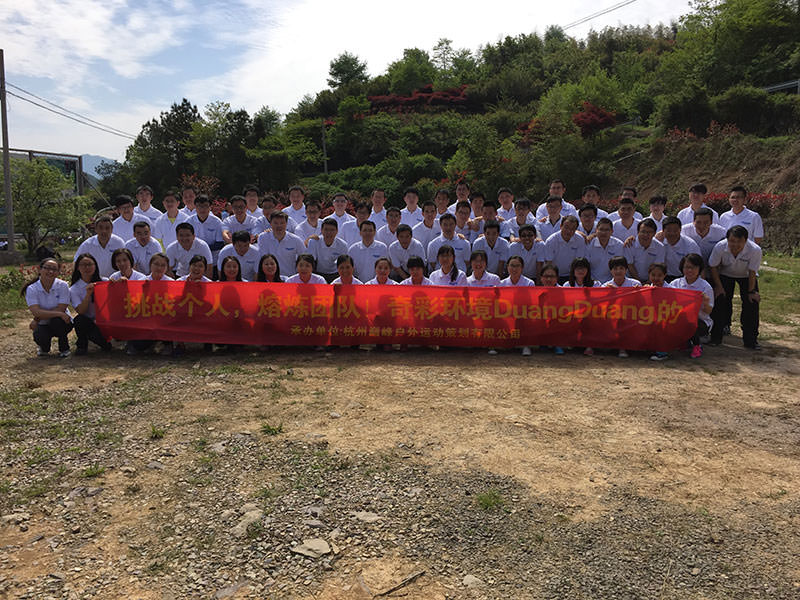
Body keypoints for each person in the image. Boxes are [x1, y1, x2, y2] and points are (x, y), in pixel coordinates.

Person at [708, 226, 762, 349]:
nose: (735, 245)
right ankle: (716, 337)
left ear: (746, 240)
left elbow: (752, 272)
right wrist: (718, 287)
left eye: (739, 241)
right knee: (720, 300)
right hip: (725, 274)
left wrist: (751, 291)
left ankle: (751, 340)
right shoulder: (720, 247)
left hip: (746, 276)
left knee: (751, 303)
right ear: (727, 239)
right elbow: (713, 267)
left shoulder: (755, 250)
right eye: (732, 241)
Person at [22, 258, 73, 357]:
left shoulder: (63, 285)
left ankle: (64, 348)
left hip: (61, 321)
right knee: (40, 335)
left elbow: (61, 308)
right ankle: (44, 347)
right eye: (47, 268)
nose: (51, 272)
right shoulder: (32, 288)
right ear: (40, 269)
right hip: (44, 322)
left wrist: (37, 319)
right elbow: (36, 311)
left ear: (58, 272)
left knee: (57, 321)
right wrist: (60, 314)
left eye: (54, 269)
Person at [669, 253, 714, 359]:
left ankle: (697, 345)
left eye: (693, 267)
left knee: (690, 321)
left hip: (700, 322)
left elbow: (708, 311)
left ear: (699, 269)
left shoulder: (705, 287)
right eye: (686, 267)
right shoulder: (675, 284)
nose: (689, 270)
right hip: (678, 319)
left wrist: (705, 302)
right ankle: (684, 342)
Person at [69, 253, 111, 355]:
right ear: (78, 268)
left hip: (105, 321)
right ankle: (82, 345)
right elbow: (81, 311)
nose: (87, 268)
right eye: (83, 265)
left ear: (95, 266)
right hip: (89, 322)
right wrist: (88, 294)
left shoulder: (104, 281)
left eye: (90, 264)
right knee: (79, 320)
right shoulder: (74, 289)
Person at [257, 211, 305, 277]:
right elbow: (261, 259)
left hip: (289, 278)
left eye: (282, 223)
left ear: (286, 224)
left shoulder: (296, 240)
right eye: (275, 223)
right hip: (270, 278)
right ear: (270, 223)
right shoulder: (262, 238)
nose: (279, 226)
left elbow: (304, 259)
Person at [542, 215, 584, 284]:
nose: (569, 231)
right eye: (566, 227)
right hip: (555, 276)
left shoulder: (580, 240)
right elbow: (549, 263)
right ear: (561, 226)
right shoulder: (551, 241)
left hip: (572, 275)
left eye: (573, 228)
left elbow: (579, 262)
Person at [187, 195, 225, 268]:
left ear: (210, 207)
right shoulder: (189, 222)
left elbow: (220, 243)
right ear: (195, 207)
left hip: (213, 261)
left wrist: (202, 249)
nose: (202, 209)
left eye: (205, 206)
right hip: (193, 261)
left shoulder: (217, 222)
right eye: (199, 206)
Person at [624, 218, 666, 283]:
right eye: (643, 232)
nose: (646, 235)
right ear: (638, 232)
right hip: (632, 280)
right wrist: (639, 282)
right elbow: (630, 265)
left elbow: (657, 267)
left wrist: (648, 282)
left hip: (652, 281)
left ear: (654, 233)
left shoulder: (660, 247)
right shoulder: (630, 244)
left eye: (649, 232)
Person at [660, 216, 701, 282]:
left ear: (680, 230)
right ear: (663, 231)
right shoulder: (659, 242)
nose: (672, 233)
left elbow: (698, 265)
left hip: (685, 277)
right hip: (664, 277)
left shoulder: (690, 244)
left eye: (675, 230)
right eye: (669, 230)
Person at [308, 217, 349, 282]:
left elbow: (344, 264)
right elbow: (311, 262)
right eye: (326, 229)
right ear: (321, 230)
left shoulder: (343, 245)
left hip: (336, 275)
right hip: (318, 274)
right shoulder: (314, 242)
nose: (329, 232)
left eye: (332, 230)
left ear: (337, 231)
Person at [585, 217, 624, 284]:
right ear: (596, 230)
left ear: (612, 231)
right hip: (593, 283)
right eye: (601, 229)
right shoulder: (589, 244)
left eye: (607, 230)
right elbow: (586, 266)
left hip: (613, 283)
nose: (603, 232)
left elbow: (620, 267)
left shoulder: (619, 245)